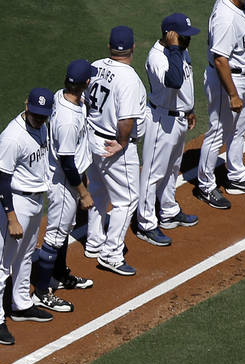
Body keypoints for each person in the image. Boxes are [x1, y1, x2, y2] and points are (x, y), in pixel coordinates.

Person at [0, 88, 56, 329]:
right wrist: (11, 217)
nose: (38, 119)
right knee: (1, 263)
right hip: (16, 202)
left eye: (43, 115)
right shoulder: (12, 137)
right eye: (35, 113)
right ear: (26, 105)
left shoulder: (42, 126)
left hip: (36, 200)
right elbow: (2, 179)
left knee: (27, 253)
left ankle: (21, 303)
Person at [33, 59, 98, 306]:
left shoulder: (66, 97)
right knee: (56, 235)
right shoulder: (67, 121)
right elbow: (67, 162)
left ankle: (59, 274)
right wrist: (83, 192)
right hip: (63, 183)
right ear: (86, 83)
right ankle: (41, 293)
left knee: (65, 229)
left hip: (69, 176)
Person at [85, 25, 147, 276]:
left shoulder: (95, 65)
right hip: (114, 144)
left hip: (91, 138)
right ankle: (111, 253)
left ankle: (94, 241)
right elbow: (126, 120)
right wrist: (122, 143)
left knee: (98, 191)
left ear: (109, 46)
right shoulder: (130, 79)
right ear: (133, 47)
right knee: (127, 200)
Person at [135, 13, 201, 244]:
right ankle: (145, 223)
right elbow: (174, 80)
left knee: (173, 168)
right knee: (153, 174)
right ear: (170, 36)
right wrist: (174, 48)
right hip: (161, 121)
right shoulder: (158, 57)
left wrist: (189, 108)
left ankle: (169, 211)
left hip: (179, 119)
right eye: (183, 36)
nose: (187, 40)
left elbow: (185, 82)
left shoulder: (180, 51)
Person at [196, 0, 245, 210]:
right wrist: (233, 94)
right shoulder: (226, 17)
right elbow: (220, 59)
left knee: (239, 126)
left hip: (239, 77)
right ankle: (205, 185)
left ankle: (236, 176)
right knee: (217, 131)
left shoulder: (240, 8)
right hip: (225, 80)